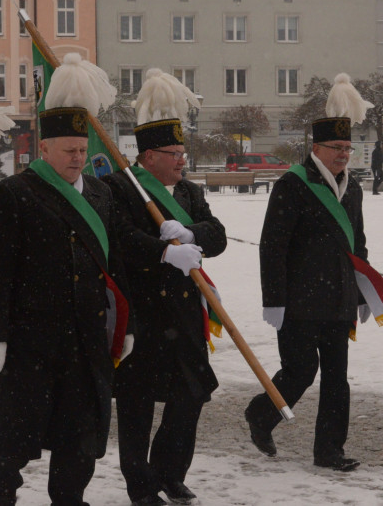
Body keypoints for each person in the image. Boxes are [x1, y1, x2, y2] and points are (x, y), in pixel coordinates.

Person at [0, 106, 133, 506]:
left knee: (80, 435)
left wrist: (126, 325)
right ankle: (2, 491)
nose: (78, 158)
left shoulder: (100, 193)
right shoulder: (16, 192)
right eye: (68, 150)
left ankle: (69, 498)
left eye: (82, 150)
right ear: (44, 149)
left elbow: (115, 264)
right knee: (17, 433)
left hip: (86, 339)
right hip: (31, 339)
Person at [105, 118, 227, 506]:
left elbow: (218, 235)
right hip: (143, 312)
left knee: (191, 395)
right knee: (137, 404)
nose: (181, 160)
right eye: (174, 154)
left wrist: (192, 234)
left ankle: (170, 474)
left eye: (182, 153)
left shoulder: (189, 191)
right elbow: (119, 238)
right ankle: (140, 486)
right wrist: (163, 253)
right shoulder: (120, 187)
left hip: (185, 312)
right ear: (149, 157)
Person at [244, 110, 367, 474]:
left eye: (347, 148)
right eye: (336, 147)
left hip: (339, 298)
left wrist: (362, 292)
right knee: (300, 370)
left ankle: (329, 450)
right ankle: (261, 414)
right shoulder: (293, 184)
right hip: (298, 300)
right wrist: (274, 299)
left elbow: (357, 243)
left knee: (336, 377)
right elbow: (273, 246)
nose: (343, 154)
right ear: (316, 148)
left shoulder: (353, 187)